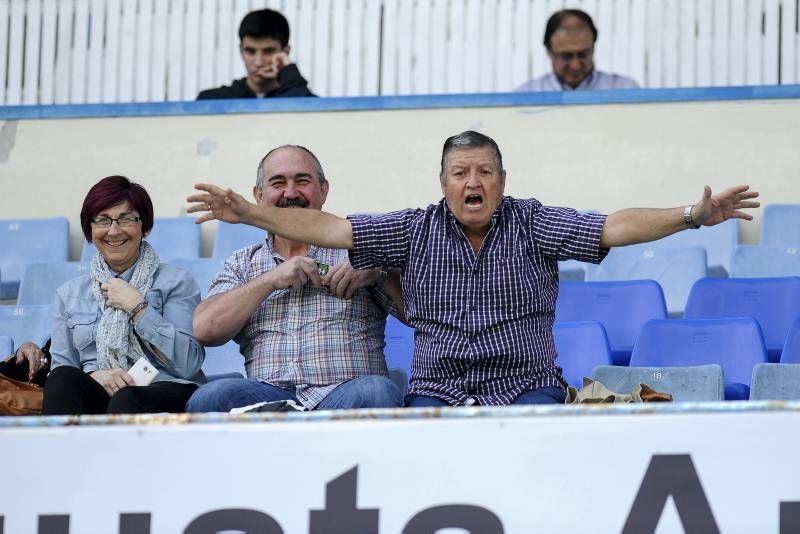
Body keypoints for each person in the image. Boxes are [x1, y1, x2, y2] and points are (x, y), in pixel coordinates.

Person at [187, 131, 759, 407]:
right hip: (438, 391)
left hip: (523, 387)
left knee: (544, 433)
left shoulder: (533, 222)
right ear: (443, 184)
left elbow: (612, 226)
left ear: (502, 182)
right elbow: (336, 231)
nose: (473, 183)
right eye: (460, 172)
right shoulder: (413, 228)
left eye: (485, 171)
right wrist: (246, 213)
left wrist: (691, 215)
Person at [185, 145, 404, 412]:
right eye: (278, 183)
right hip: (267, 397)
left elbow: (420, 313)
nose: (291, 193)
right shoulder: (243, 262)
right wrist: (270, 280)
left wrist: (379, 270)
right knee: (208, 398)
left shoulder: (358, 248)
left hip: (345, 393)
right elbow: (205, 328)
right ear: (259, 195)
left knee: (377, 390)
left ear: (323, 190)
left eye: (302, 181)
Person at [40, 175, 206, 415]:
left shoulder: (177, 282)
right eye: (103, 220)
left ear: (144, 226)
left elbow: (189, 364)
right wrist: (96, 376)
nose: (114, 231)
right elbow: (63, 369)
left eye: (126, 219)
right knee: (61, 379)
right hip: (102, 392)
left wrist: (138, 308)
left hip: (166, 389)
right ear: (90, 228)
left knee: (126, 399)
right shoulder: (69, 294)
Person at [197, 8, 315, 100]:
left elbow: (310, 113)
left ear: (285, 53)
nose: (258, 62)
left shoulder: (297, 94)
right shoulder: (212, 100)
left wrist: (290, 75)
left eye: (268, 51)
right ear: (241, 51)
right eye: (250, 51)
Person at [515, 9, 640, 92]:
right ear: (549, 52)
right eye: (566, 56)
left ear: (593, 47)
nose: (575, 65)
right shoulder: (525, 95)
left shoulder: (624, 90)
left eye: (583, 54)